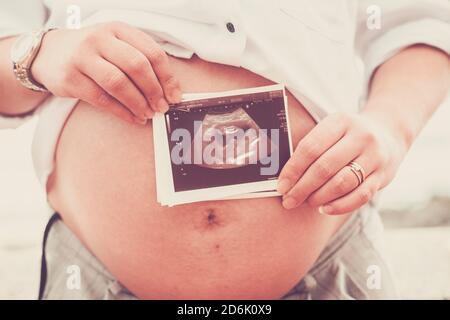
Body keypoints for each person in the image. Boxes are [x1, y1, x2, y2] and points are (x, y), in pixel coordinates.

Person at [0, 0, 449, 299]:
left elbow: (422, 23)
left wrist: (390, 126)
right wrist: (37, 54)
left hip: (330, 262)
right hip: (99, 276)